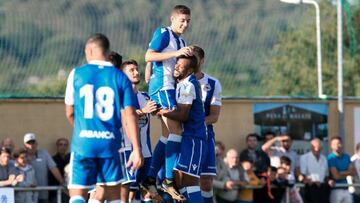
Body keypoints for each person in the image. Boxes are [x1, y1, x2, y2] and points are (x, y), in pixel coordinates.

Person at [64, 33, 143, 203]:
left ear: (90, 50)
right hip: (109, 143)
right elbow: (130, 115)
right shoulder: (120, 77)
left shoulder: (76, 74)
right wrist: (137, 149)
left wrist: (83, 130)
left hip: (84, 142)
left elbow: (70, 113)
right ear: (107, 52)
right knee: (113, 194)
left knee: (79, 193)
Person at [142, 5, 193, 199]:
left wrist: (148, 68)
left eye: (188, 21)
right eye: (182, 20)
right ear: (173, 19)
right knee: (177, 131)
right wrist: (174, 54)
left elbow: (151, 58)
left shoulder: (181, 40)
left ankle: (150, 177)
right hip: (163, 87)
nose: (185, 24)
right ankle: (168, 179)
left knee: (167, 136)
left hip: (170, 88)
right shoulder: (164, 32)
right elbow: (149, 54)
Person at [156, 54, 206, 202]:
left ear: (190, 70)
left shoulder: (189, 85)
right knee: (180, 181)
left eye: (181, 66)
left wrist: (161, 111)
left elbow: (183, 115)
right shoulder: (180, 83)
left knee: (189, 182)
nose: (176, 67)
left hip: (194, 138)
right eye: (176, 64)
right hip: (187, 138)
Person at [116, 59, 157, 203]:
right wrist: (143, 111)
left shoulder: (145, 96)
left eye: (136, 69)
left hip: (146, 151)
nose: (135, 72)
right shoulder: (121, 96)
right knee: (128, 191)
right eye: (131, 70)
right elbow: (125, 116)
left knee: (147, 191)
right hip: (130, 151)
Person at [191, 45, 222, 203]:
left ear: (201, 60)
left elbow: (214, 116)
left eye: (194, 58)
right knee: (187, 179)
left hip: (205, 134)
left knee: (206, 180)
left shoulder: (213, 83)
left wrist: (196, 123)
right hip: (185, 135)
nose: (191, 61)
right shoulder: (179, 82)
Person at [23, 133, 64, 203]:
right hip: (26, 196)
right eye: (29, 143)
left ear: (37, 144)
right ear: (24, 145)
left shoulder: (44, 153)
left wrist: (62, 182)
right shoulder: (21, 157)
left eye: (33, 143)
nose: (31, 145)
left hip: (43, 194)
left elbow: (53, 168)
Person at [299, 138, 331, 203]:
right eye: (314, 147)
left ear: (321, 148)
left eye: (318, 147)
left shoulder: (324, 158)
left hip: (323, 188)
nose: (316, 149)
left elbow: (326, 176)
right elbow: (302, 175)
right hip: (310, 188)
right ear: (311, 148)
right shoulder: (304, 157)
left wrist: (329, 181)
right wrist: (312, 181)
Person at [327, 136, 355, 203]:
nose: (337, 146)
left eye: (338, 143)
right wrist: (347, 173)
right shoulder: (330, 158)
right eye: (334, 144)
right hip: (335, 189)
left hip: (346, 188)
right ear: (331, 146)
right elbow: (335, 176)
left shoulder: (347, 156)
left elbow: (353, 172)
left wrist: (340, 173)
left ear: (342, 144)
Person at [49, 138, 70, 203]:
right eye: (60, 144)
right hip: (56, 193)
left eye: (65, 145)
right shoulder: (52, 160)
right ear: (57, 146)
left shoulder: (71, 159)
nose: (63, 147)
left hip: (70, 192)